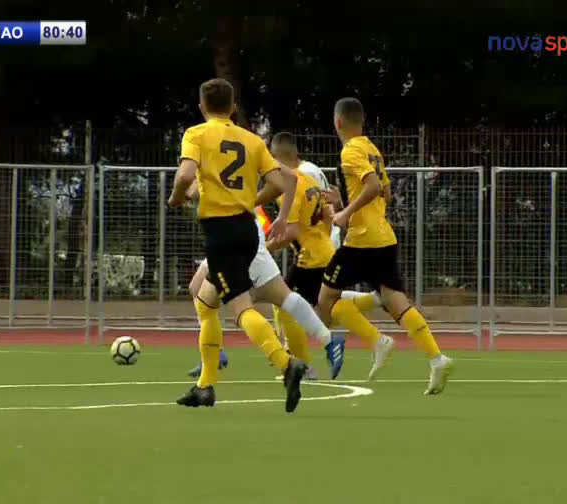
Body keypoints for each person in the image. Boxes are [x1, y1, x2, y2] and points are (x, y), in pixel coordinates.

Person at [167, 78, 317, 412]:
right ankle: (205, 386)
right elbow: (278, 183)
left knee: (240, 307)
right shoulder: (252, 140)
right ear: (233, 107)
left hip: (221, 233)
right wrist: (249, 200)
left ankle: (286, 363)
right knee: (205, 302)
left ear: (202, 107)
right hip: (247, 230)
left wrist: (176, 198)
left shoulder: (196, 134)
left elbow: (185, 175)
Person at [317, 97, 454, 394]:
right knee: (397, 303)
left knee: (326, 300)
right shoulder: (371, 148)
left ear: (338, 121)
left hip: (361, 240)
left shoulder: (350, 150)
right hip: (383, 238)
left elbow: (373, 187)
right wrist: (344, 201)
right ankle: (436, 358)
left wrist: (345, 213)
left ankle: (373, 342)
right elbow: (386, 194)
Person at [265, 132, 383, 379]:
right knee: (323, 305)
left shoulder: (290, 186)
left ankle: (303, 365)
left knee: (285, 304)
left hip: (309, 258)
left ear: (276, 158)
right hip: (323, 251)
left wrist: (266, 248)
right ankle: (373, 300)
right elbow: (328, 215)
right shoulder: (310, 181)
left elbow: (292, 231)